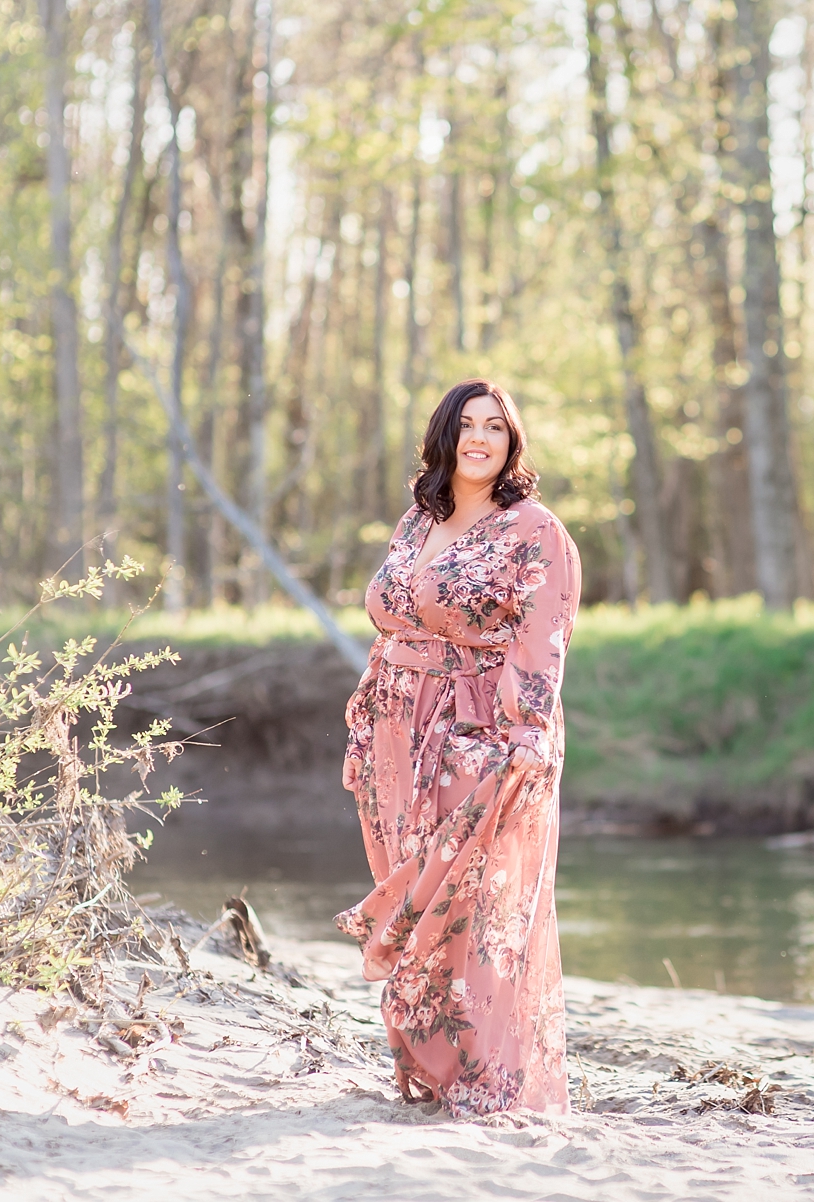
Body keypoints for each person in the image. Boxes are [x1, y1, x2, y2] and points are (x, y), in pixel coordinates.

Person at [335, 378, 580, 1116]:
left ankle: (488, 1073)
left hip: (480, 733)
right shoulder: (417, 520)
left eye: (495, 428)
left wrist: (528, 731)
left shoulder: (534, 530)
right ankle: (431, 1063)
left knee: (468, 899)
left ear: (512, 444)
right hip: (394, 730)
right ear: (443, 436)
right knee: (412, 881)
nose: (479, 438)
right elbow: (390, 620)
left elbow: (546, 633)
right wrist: (364, 713)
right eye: (467, 425)